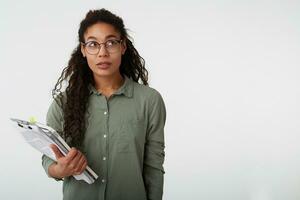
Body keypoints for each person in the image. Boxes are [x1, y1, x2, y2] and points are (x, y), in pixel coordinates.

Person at [41, 8, 166, 200]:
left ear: (123, 46)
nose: (102, 52)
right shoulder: (63, 103)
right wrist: (60, 169)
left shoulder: (149, 101)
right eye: (93, 44)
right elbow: (48, 158)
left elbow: (154, 166)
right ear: (83, 50)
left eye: (111, 42)